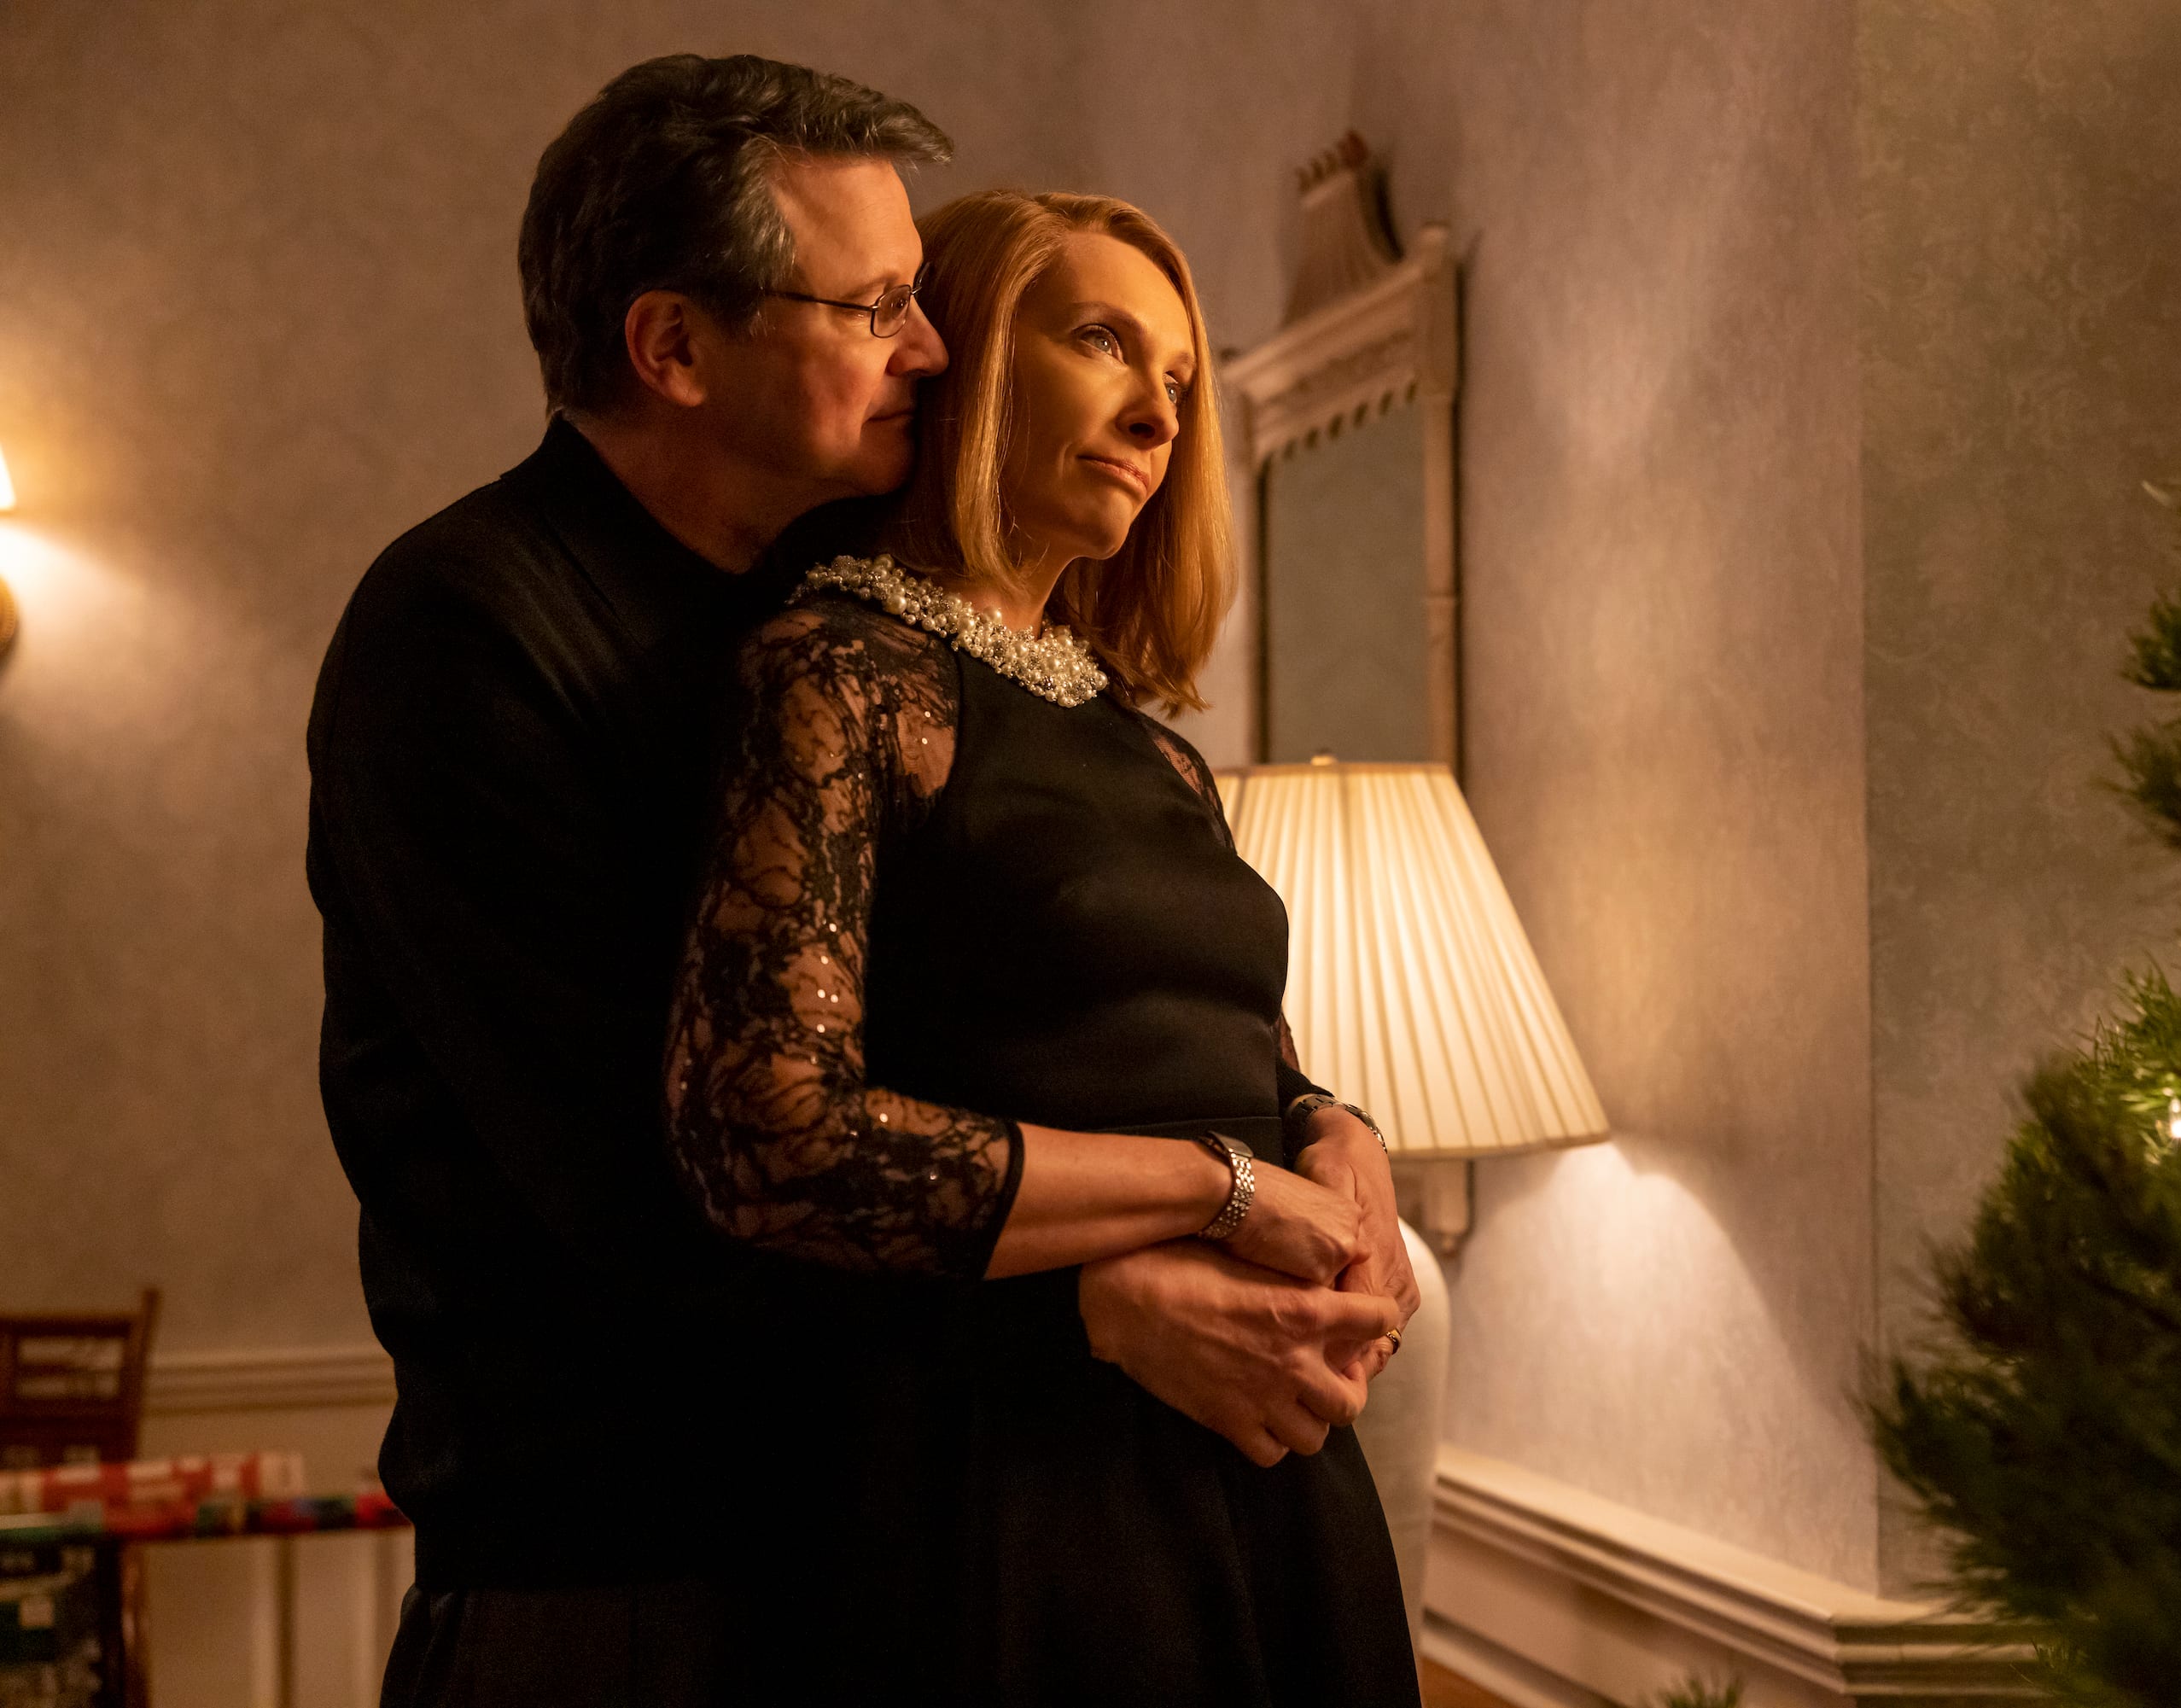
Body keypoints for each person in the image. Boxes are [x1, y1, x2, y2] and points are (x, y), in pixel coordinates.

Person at [305, 53, 1411, 1705]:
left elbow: (1019, 1005)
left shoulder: (854, 616)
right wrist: (1116, 1290)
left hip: (892, 1511)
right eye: (877, 304)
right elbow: (658, 1180)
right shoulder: (468, 630)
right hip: (615, 1573)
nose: (932, 345)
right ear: (675, 348)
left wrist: (1315, 1116)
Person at [662, 184, 1423, 1705]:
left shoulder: (1158, 750)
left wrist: (1338, 1127)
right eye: (1103, 342)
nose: (1159, 413)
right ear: (962, 353)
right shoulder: (838, 674)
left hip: (1272, 1475)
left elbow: (1221, 1045)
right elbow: (766, 1131)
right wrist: (1217, 1191)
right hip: (1016, 1492)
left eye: (1182, 380)